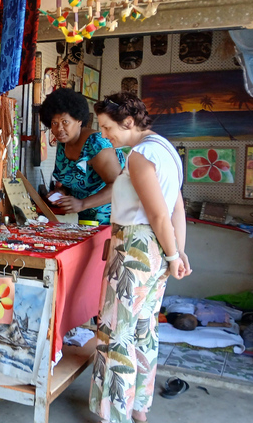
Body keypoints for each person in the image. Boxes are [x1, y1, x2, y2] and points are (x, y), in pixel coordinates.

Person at [89, 92, 192, 423]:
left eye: (107, 128)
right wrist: (176, 252)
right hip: (158, 250)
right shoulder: (165, 149)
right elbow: (176, 207)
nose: (105, 136)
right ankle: (139, 407)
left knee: (117, 331)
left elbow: (159, 214)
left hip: (134, 248)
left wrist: (175, 252)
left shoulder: (139, 156)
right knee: (144, 330)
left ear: (128, 122)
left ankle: (114, 413)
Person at [40, 88, 124, 224]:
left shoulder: (96, 144)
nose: (59, 129)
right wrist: (61, 192)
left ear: (79, 120)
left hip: (111, 220)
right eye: (54, 123)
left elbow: (119, 186)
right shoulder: (64, 142)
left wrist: (82, 204)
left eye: (65, 122)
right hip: (85, 220)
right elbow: (73, 181)